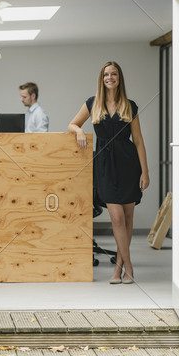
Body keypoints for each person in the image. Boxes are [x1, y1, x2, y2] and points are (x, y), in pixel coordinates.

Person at [68, 61, 149, 285]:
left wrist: (145, 171)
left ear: (119, 78)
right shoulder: (92, 103)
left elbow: (139, 140)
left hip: (128, 165)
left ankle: (120, 268)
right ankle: (127, 266)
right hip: (104, 165)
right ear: (101, 78)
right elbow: (72, 124)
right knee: (116, 217)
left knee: (128, 218)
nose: (110, 78)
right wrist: (79, 132)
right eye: (106, 74)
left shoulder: (129, 105)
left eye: (113, 74)